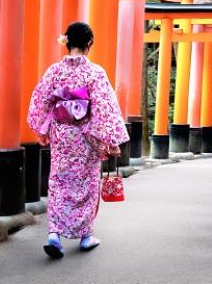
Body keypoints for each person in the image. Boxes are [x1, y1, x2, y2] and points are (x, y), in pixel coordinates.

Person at [27, 21, 129, 259]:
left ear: (67, 42)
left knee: (59, 181)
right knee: (86, 183)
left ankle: (54, 234)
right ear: (89, 44)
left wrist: (42, 130)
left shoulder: (54, 71)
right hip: (85, 136)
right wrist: (111, 140)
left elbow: (41, 100)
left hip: (62, 134)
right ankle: (86, 236)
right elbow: (104, 107)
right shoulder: (95, 72)